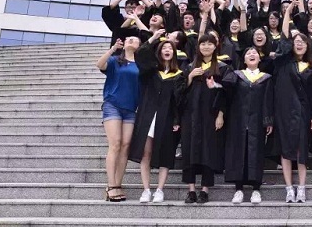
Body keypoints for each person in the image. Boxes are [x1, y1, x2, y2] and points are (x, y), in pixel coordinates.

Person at [262, 33, 312, 203]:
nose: (300, 44)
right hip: (283, 113)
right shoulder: (283, 65)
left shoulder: (311, 68)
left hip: (303, 113)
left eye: (303, 42)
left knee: (301, 150)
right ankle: (289, 188)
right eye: (296, 42)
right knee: (285, 149)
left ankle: (301, 188)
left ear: (308, 46)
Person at [175, 34, 230, 204]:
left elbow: (227, 94)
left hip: (210, 116)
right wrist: (190, 77)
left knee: (209, 151)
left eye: (209, 44)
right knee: (189, 151)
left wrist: (220, 115)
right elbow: (178, 94)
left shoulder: (222, 68)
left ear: (215, 47)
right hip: (190, 117)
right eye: (203, 44)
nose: (206, 46)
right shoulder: (189, 67)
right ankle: (191, 190)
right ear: (198, 47)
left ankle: (205, 190)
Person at [128, 32, 181, 204]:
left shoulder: (179, 74)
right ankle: (146, 189)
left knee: (165, 153)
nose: (167, 50)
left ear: (174, 52)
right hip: (148, 116)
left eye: (170, 48)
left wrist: (177, 120)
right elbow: (140, 54)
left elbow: (178, 101)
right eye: (164, 48)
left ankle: (159, 190)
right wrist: (153, 38)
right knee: (146, 153)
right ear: (159, 52)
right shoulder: (150, 71)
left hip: (167, 118)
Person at [221, 47, 274, 204]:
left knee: (256, 153)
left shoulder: (266, 78)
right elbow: (226, 94)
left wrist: (268, 120)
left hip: (257, 121)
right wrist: (214, 86)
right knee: (238, 152)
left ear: (259, 59)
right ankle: (238, 189)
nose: (252, 54)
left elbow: (268, 100)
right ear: (244, 60)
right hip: (238, 120)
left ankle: (256, 189)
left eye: (255, 53)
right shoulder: (236, 76)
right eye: (248, 53)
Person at [96, 36, 140, 202]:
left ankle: (118, 184)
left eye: (134, 39)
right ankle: (111, 185)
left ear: (139, 45)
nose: (130, 41)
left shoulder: (141, 64)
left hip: (131, 108)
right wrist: (113, 49)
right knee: (115, 144)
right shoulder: (115, 60)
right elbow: (99, 64)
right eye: (128, 39)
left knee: (125, 146)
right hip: (113, 105)